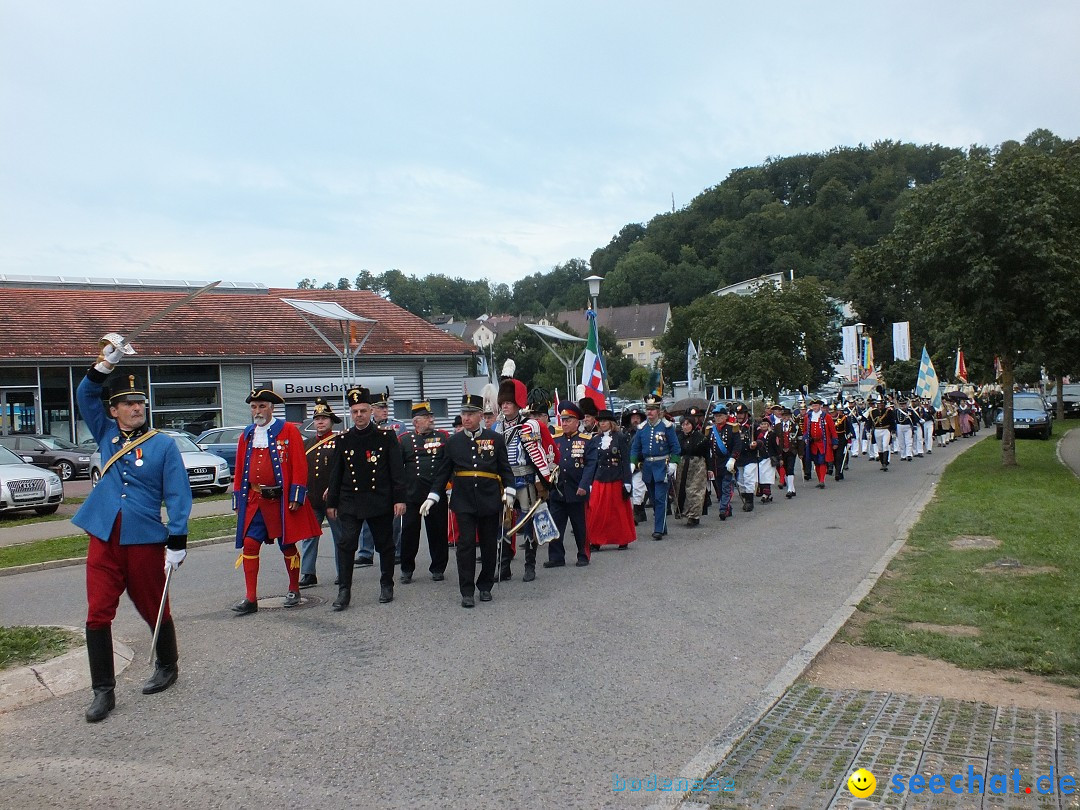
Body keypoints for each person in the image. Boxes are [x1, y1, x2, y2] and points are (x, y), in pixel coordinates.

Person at [74, 342, 192, 723]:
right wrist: (107, 362)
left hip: (143, 539)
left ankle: (168, 664)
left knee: (153, 604)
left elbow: (177, 494)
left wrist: (177, 538)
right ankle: (102, 691)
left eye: (140, 401)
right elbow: (84, 393)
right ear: (114, 410)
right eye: (127, 403)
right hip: (103, 536)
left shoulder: (163, 446)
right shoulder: (104, 432)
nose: (136, 407)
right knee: (97, 613)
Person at [231, 384, 322, 616]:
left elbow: (300, 465)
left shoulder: (288, 431)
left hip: (280, 501)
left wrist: (297, 495)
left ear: (272, 408)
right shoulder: (247, 434)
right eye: (254, 407)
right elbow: (240, 467)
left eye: (262, 406)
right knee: (250, 544)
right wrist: (238, 498)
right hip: (254, 500)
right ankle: (250, 598)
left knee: (287, 545)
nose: (258, 411)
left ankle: (294, 589)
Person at [420, 394, 514, 608]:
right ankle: (467, 590)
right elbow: (443, 472)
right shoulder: (453, 442)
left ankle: (485, 585)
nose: (466, 418)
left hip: (489, 498)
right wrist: (433, 496)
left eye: (471, 414)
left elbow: (504, 468)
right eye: (464, 413)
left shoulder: (495, 439)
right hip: (463, 500)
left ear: (481, 415)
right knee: (466, 545)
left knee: (489, 545)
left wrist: (509, 490)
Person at [325, 386, 407, 610]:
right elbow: (336, 474)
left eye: (362, 411)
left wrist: (399, 499)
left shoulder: (386, 436)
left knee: (385, 544)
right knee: (346, 544)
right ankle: (344, 591)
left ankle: (386, 583)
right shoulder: (343, 440)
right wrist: (331, 502)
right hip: (350, 501)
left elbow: (396, 470)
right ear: (350, 414)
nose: (358, 415)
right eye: (354, 412)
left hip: (378, 499)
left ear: (371, 411)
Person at [492, 368, 555, 581]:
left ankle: (530, 565)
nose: (505, 405)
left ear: (518, 404)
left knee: (528, 522)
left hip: (526, 479)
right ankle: (504, 566)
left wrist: (542, 482)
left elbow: (543, 455)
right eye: (503, 403)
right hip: (504, 482)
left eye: (509, 402)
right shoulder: (496, 428)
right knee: (504, 523)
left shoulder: (530, 426)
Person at [398, 402, 451, 583]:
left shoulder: (443, 437)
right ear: (416, 422)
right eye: (427, 417)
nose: (432, 420)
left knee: (437, 532)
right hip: (412, 495)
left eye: (432, 417)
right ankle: (407, 569)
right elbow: (397, 468)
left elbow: (448, 464)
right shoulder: (404, 440)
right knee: (409, 533)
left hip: (435, 494)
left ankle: (438, 567)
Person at [299, 397, 343, 589]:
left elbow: (346, 470)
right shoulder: (306, 443)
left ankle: (343, 571)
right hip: (312, 498)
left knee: (340, 537)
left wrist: (335, 489)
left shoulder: (340, 441)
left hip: (334, 499)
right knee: (309, 537)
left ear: (331, 421)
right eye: (317, 418)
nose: (320, 422)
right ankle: (308, 573)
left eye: (324, 418)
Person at [546, 401, 597, 567]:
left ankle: (583, 554)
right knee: (555, 525)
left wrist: (584, 485)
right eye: (563, 420)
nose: (565, 423)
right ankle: (556, 557)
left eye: (569, 420)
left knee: (580, 526)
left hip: (577, 490)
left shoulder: (586, 440)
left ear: (577, 422)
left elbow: (590, 465)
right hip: (558, 490)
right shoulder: (555, 440)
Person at [629, 394, 681, 539]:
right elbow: (635, 448)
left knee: (660, 498)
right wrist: (632, 462)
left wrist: (674, 463)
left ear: (659, 411)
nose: (649, 412)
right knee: (653, 497)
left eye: (652, 409)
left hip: (662, 466)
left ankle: (658, 529)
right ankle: (662, 526)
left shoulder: (667, 426)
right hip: (647, 467)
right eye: (647, 409)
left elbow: (675, 448)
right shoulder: (642, 428)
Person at [586, 408, 635, 550]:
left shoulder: (620, 437)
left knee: (617, 512)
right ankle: (595, 540)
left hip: (616, 478)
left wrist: (627, 482)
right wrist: (589, 482)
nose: (602, 424)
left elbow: (625, 460)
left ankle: (622, 538)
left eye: (605, 421)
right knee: (596, 510)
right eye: (600, 421)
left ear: (611, 422)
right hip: (599, 479)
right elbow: (593, 462)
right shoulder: (595, 440)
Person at [673, 408, 710, 525]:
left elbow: (707, 455)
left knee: (694, 490)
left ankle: (694, 516)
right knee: (682, 489)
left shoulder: (701, 438)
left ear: (692, 425)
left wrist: (710, 469)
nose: (685, 427)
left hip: (697, 466)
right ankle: (684, 512)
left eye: (687, 424)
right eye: (683, 424)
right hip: (683, 466)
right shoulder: (679, 438)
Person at [706, 405, 741, 517]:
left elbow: (737, 445)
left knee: (726, 486)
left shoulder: (732, 428)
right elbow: (707, 447)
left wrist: (733, 458)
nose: (718, 418)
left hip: (727, 461)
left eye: (720, 415)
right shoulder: (710, 430)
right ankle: (727, 507)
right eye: (716, 416)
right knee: (719, 487)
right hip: (716, 463)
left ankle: (723, 509)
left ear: (726, 416)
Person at [800, 399, 839, 489]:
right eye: (813, 406)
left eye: (816, 406)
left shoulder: (827, 417)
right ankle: (819, 480)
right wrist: (805, 438)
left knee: (822, 461)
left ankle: (822, 480)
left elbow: (832, 430)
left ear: (820, 406)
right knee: (816, 462)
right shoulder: (808, 417)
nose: (815, 407)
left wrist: (835, 441)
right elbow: (805, 430)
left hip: (823, 442)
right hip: (812, 443)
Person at [622, 405, 648, 524]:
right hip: (626, 465)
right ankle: (633, 513)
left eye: (638, 417)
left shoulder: (645, 433)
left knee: (638, 489)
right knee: (628, 490)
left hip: (640, 466)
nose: (635, 420)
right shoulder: (624, 434)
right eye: (633, 418)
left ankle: (637, 513)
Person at [772, 406, 799, 498]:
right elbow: (774, 439)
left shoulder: (795, 426)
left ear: (790, 416)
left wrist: (801, 452)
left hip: (792, 450)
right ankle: (792, 488)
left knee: (790, 468)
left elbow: (800, 439)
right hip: (781, 451)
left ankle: (789, 489)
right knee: (786, 468)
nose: (785, 417)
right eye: (783, 415)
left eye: (787, 416)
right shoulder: (777, 426)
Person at [868, 395, 896, 470]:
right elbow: (869, 422)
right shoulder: (872, 412)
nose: (880, 405)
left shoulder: (888, 411)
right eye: (879, 404)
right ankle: (882, 462)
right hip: (877, 430)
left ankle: (885, 462)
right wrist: (868, 431)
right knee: (880, 447)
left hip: (886, 430)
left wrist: (893, 431)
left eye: (881, 404)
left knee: (885, 445)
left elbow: (892, 421)